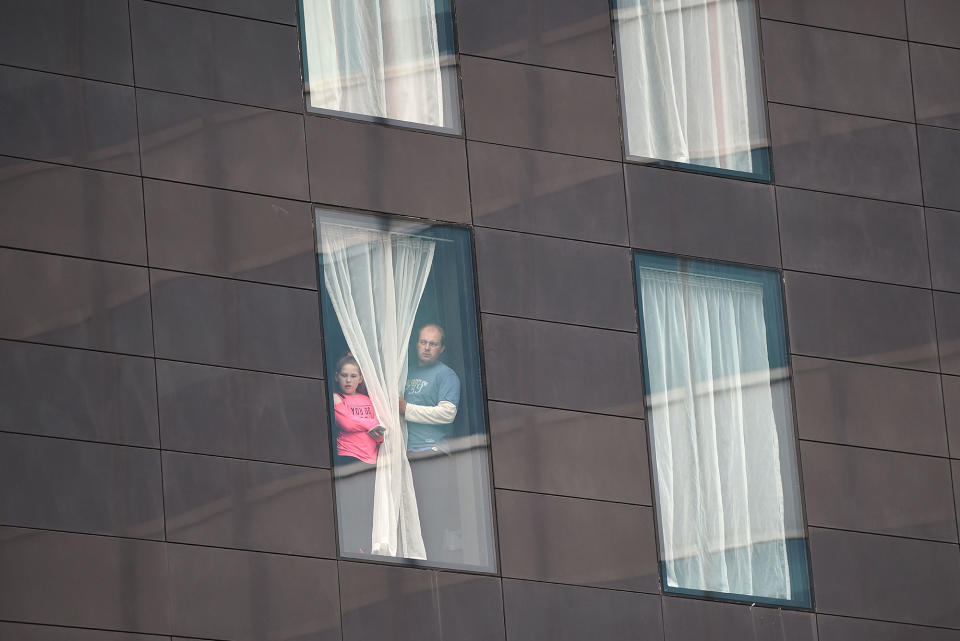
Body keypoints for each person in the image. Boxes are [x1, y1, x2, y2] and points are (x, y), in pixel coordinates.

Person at [400, 323, 462, 561]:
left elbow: (448, 413)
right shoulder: (407, 372)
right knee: (410, 517)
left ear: (441, 348)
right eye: (423, 342)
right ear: (416, 344)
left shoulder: (445, 375)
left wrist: (407, 409)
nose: (427, 347)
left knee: (431, 516)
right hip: (407, 454)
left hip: (432, 453)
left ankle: (431, 565)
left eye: (433, 344)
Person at [332, 353, 384, 554]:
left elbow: (380, 432)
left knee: (366, 509)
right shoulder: (338, 397)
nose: (348, 380)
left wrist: (376, 432)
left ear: (360, 378)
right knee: (351, 506)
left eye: (353, 376)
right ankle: (353, 548)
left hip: (370, 461)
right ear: (337, 376)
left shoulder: (368, 401)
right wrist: (371, 424)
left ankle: (364, 548)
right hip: (349, 457)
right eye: (344, 375)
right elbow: (345, 422)